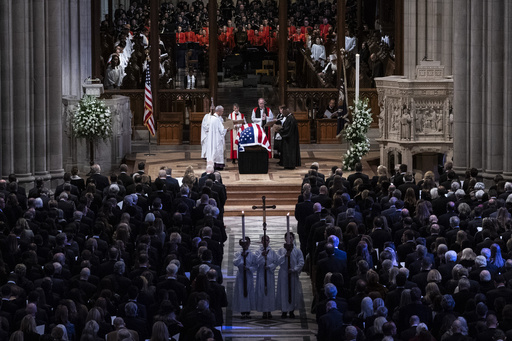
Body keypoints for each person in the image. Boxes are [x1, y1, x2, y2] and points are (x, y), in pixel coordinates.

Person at [276, 232, 304, 318]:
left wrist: (294, 269)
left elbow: (301, 262)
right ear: (285, 239)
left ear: (293, 239)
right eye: (287, 238)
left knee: (293, 291)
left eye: (291, 238)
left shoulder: (297, 250)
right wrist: (285, 255)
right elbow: (278, 261)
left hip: (293, 273)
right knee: (284, 291)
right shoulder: (281, 250)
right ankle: (284, 310)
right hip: (284, 273)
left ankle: (292, 310)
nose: (289, 239)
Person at [255, 235, 279, 319]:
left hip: (269, 274)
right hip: (261, 273)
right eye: (263, 240)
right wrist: (262, 255)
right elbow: (256, 262)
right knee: (262, 291)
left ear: (269, 241)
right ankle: (264, 311)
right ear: (261, 242)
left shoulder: (272, 252)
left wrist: (270, 266)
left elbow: (276, 262)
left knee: (269, 292)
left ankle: (269, 310)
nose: (265, 242)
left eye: (267, 240)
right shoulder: (258, 251)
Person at [233, 237, 257, 318]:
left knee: (248, 291)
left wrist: (249, 268)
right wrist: (241, 257)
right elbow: (235, 262)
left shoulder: (252, 255)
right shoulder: (237, 253)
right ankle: (242, 310)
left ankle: (248, 310)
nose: (246, 245)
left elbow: (255, 265)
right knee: (241, 291)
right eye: (244, 244)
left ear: (249, 244)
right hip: (240, 275)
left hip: (248, 275)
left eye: (247, 243)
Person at [204, 105, 227, 170]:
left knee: (213, 151)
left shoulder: (212, 118)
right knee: (218, 151)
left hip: (212, 139)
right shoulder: (217, 120)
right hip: (217, 139)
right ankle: (218, 165)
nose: (222, 112)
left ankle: (213, 164)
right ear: (219, 111)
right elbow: (222, 130)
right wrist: (227, 129)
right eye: (222, 111)